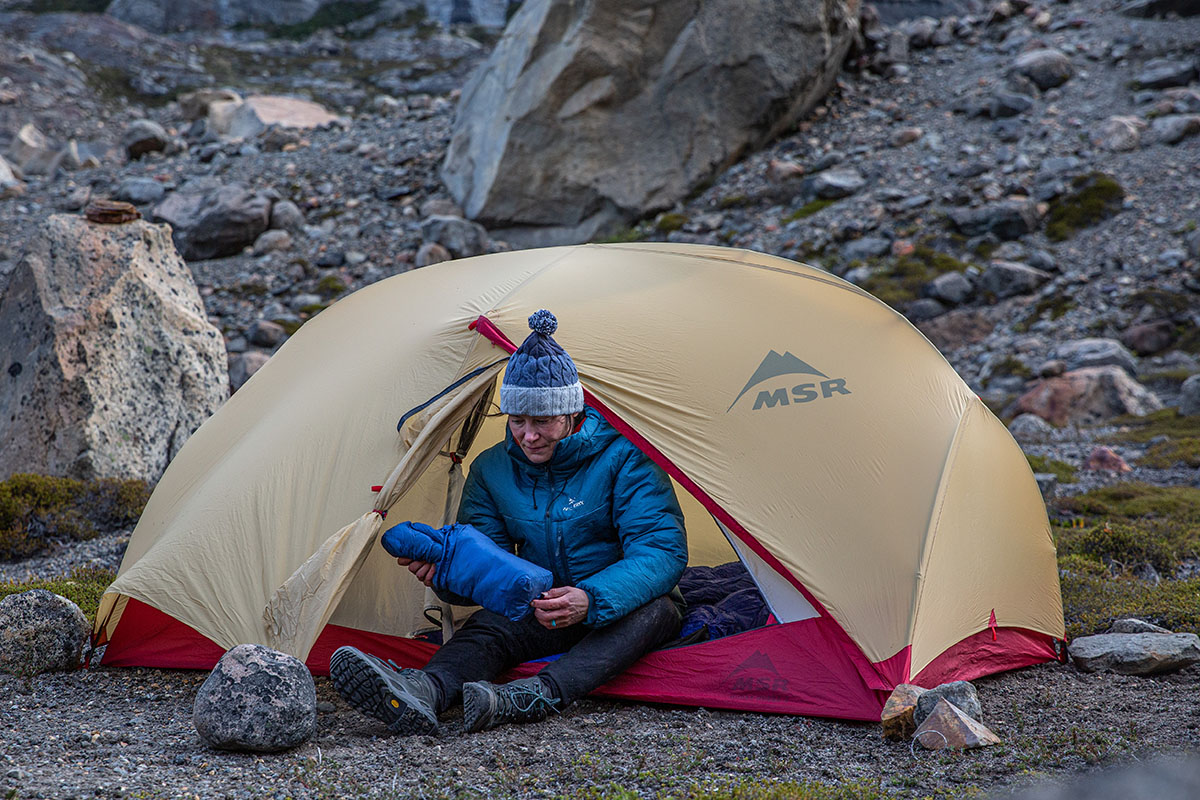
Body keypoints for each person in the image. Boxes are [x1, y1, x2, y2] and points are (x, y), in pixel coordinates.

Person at [330, 309, 688, 734]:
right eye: (518, 421)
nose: (528, 436)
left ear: (572, 413)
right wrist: (446, 574)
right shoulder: (492, 469)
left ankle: (533, 695)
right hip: (542, 607)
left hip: (618, 604)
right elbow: (490, 567)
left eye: (542, 422)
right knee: (490, 625)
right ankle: (424, 690)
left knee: (659, 611)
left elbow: (661, 549)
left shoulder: (625, 456)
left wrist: (589, 599)